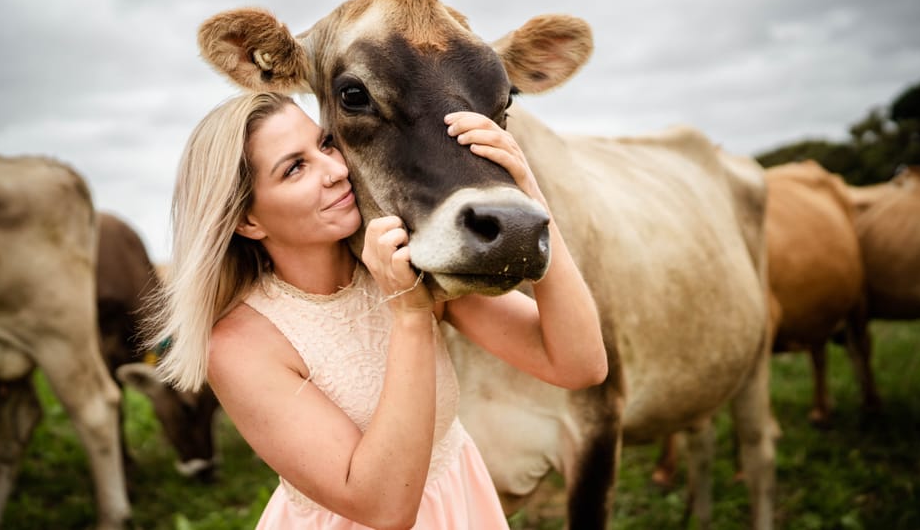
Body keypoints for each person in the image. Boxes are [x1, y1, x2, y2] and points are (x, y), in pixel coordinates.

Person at [148, 91, 607, 530]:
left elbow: (578, 363)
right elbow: (385, 506)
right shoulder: (240, 346)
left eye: (325, 143)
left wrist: (532, 205)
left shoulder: (408, 258)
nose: (332, 169)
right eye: (294, 169)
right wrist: (409, 315)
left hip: (462, 504)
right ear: (247, 220)